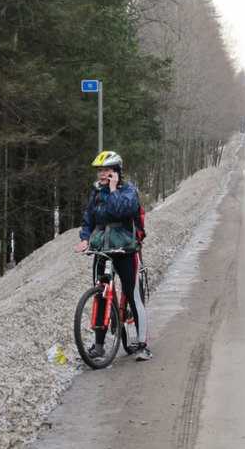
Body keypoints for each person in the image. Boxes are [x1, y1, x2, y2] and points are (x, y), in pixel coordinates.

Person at [74, 150, 152, 361]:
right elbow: (88, 219)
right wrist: (84, 239)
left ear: (116, 172)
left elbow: (121, 211)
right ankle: (98, 345)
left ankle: (143, 344)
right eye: (99, 170)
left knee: (134, 296)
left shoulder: (127, 190)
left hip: (126, 250)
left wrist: (112, 189)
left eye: (106, 170)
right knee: (100, 295)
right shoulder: (96, 193)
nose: (101, 174)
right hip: (102, 250)